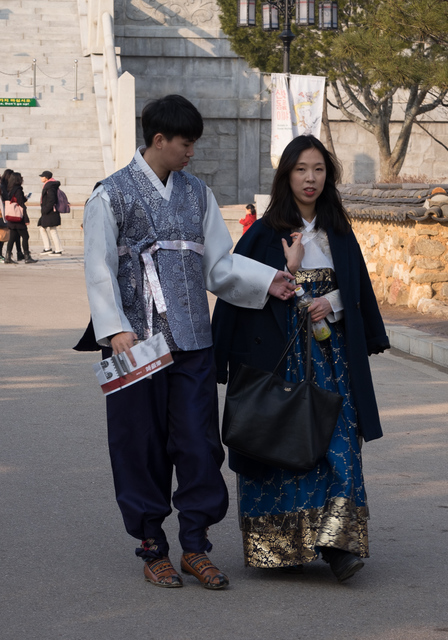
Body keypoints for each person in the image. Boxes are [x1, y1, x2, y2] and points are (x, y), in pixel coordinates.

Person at [80, 94, 295, 590]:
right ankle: (153, 546)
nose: (191, 152)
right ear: (159, 139)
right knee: (140, 445)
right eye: (186, 143)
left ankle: (195, 545)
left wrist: (268, 281)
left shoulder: (197, 194)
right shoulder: (108, 195)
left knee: (199, 446)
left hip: (195, 342)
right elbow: (98, 268)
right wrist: (115, 328)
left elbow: (219, 264)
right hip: (135, 346)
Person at [212, 135, 390, 583]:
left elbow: (359, 294)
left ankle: (338, 545)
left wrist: (333, 302)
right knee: (281, 446)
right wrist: (286, 274)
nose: (310, 179)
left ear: (328, 176)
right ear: (286, 175)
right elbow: (233, 289)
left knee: (341, 445)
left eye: (318, 169)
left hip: (333, 362)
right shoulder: (264, 233)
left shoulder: (339, 234)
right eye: (300, 170)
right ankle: (282, 544)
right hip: (278, 358)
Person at [3, 172, 37, 264]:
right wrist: (26, 218)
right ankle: (27, 257)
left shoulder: (10, 189)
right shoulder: (18, 190)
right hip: (18, 218)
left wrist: (24, 198)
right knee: (25, 236)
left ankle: (7, 257)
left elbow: (16, 201)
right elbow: (21, 205)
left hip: (11, 217)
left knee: (12, 238)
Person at [38, 170, 63, 256]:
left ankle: (58, 250)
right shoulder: (50, 185)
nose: (41, 178)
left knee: (52, 230)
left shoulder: (50, 186)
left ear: (46, 178)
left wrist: (45, 209)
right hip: (49, 211)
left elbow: (52, 199)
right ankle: (48, 248)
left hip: (50, 211)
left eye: (42, 176)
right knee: (43, 228)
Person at [1, 168, 24, 262]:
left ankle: (17, 253)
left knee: (15, 234)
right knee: (10, 235)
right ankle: (11, 254)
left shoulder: (9, 186)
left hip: (8, 212)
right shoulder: (4, 186)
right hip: (8, 213)